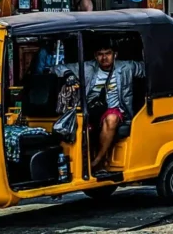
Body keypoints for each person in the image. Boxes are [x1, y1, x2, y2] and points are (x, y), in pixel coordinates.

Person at [54, 39, 144, 173]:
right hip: (90, 110)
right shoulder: (88, 67)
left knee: (112, 118)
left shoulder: (126, 67)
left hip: (116, 110)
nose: (104, 57)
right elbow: (57, 68)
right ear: (96, 56)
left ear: (115, 55)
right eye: (100, 54)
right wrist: (68, 75)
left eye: (108, 53)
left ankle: (97, 161)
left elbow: (148, 67)